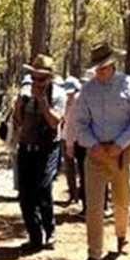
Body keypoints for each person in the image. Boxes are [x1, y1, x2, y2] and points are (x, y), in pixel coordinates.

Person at [73, 43, 130, 260]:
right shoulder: (87, 90)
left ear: (113, 65)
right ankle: (94, 254)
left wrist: (121, 143)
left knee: (122, 200)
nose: (100, 72)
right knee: (94, 207)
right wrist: (92, 144)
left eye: (104, 68)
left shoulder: (129, 85)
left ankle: (121, 235)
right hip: (95, 154)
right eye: (97, 69)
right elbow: (80, 123)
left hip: (121, 154)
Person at [12, 54, 66, 252]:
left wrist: (43, 103)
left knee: (43, 189)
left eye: (41, 78)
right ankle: (35, 236)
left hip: (48, 148)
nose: (37, 82)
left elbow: (55, 121)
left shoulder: (58, 95)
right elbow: (17, 122)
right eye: (34, 77)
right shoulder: (24, 93)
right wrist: (17, 106)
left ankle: (50, 230)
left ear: (50, 78)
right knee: (25, 195)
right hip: (26, 148)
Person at [61, 76, 82, 206]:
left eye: (71, 92)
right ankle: (72, 193)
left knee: (81, 168)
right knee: (69, 168)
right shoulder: (65, 101)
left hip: (79, 140)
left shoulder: (81, 101)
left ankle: (81, 194)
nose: (69, 95)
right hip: (65, 137)